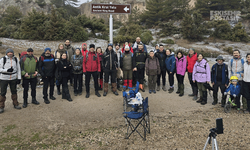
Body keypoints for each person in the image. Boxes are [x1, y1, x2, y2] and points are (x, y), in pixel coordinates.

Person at [0, 48, 22, 113]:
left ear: (13, 53)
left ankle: (15, 104)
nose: (10, 53)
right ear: (6, 53)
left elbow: (18, 69)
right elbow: (0, 69)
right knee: (3, 92)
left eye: (11, 52)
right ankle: (1, 106)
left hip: (13, 78)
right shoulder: (2, 59)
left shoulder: (16, 59)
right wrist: (7, 70)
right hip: (4, 78)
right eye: (9, 52)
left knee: (14, 91)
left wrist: (19, 78)